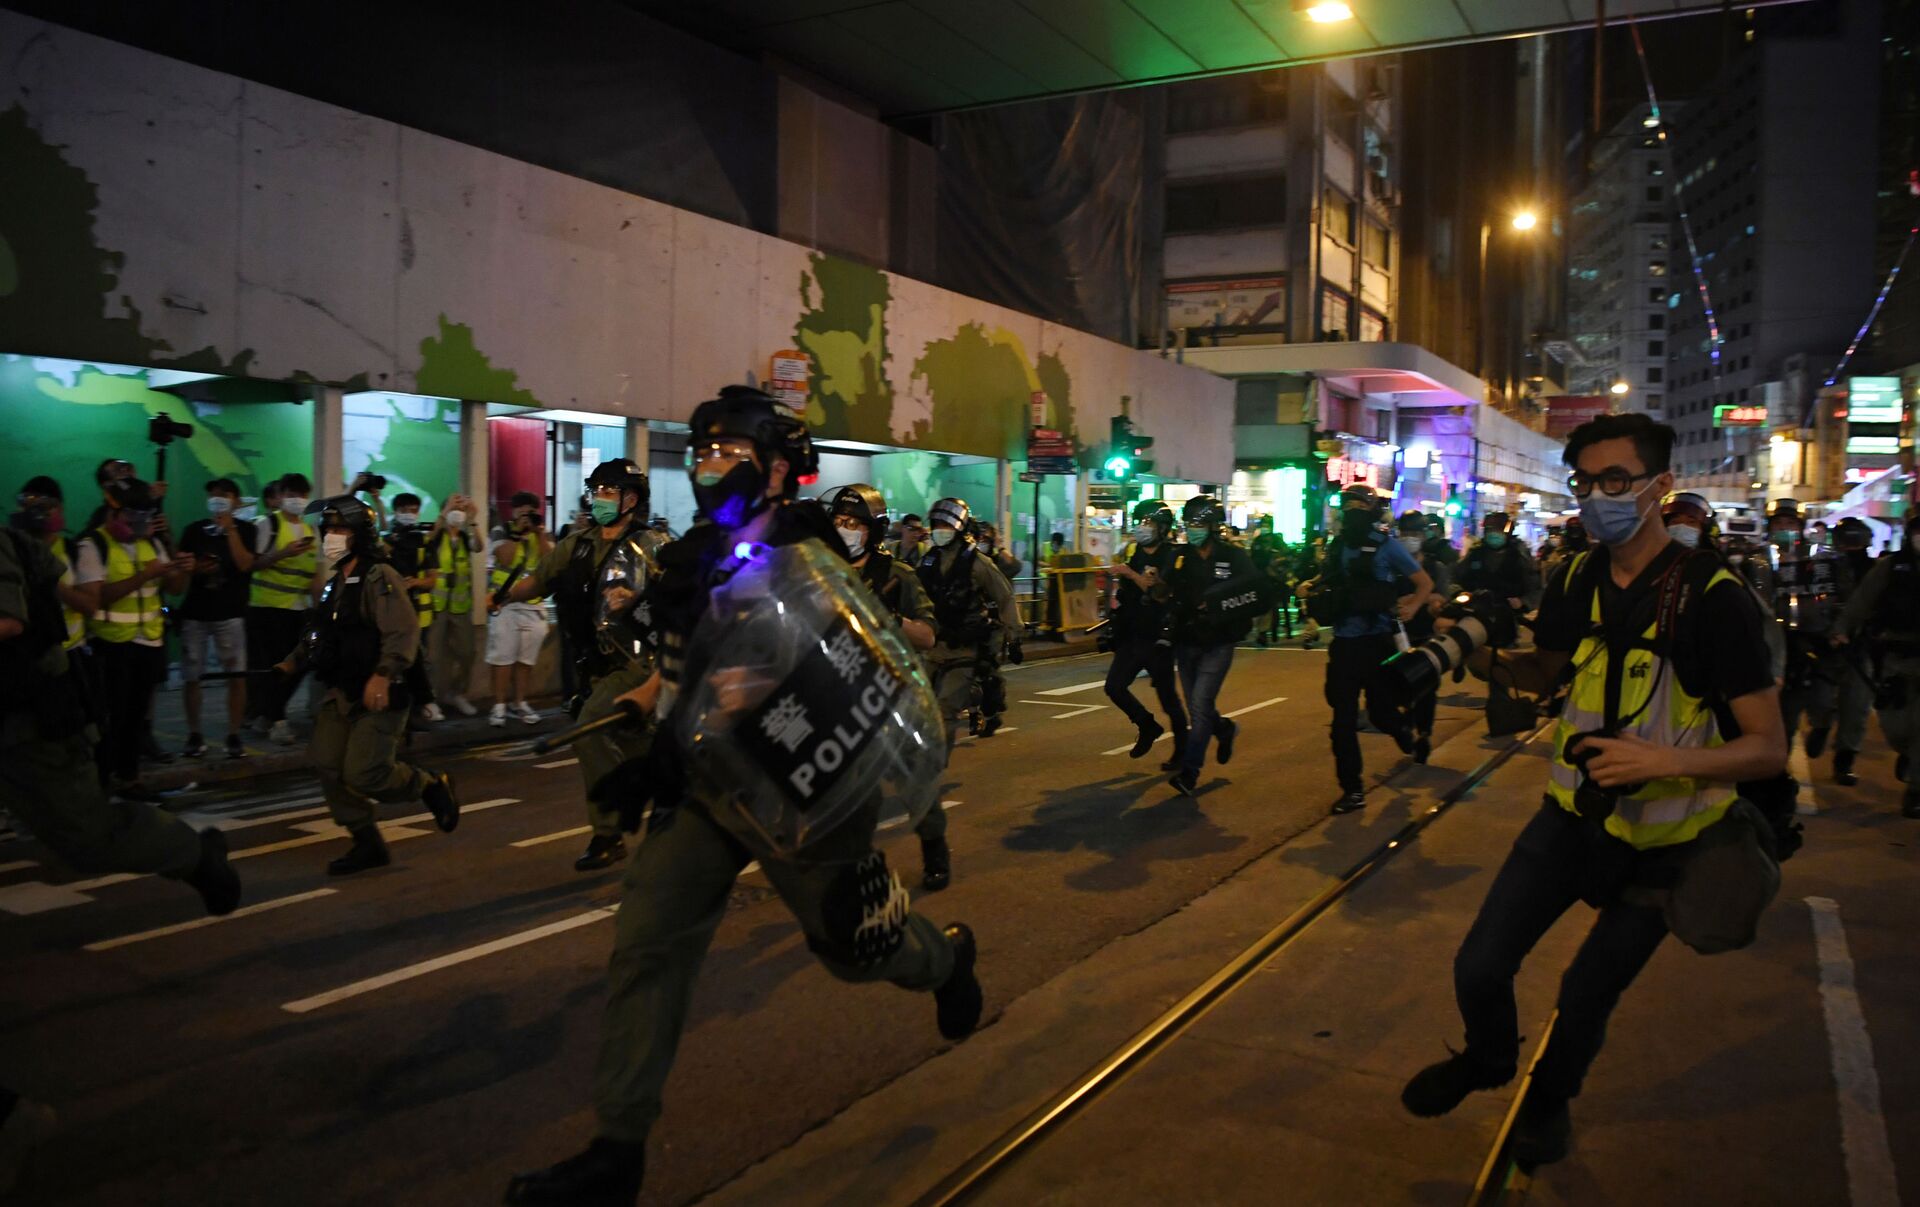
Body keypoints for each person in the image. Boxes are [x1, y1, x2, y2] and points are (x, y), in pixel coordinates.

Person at [503, 386, 982, 1206]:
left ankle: (943, 961)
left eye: (731, 453)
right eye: (703, 452)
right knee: (648, 939)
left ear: (775, 469)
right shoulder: (691, 557)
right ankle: (617, 1150)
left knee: (854, 945)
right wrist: (648, 703)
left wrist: (734, 696)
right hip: (707, 785)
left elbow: (835, 666)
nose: (710, 466)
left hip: (799, 784)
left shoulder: (809, 553)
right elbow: (683, 666)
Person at [1401, 413, 1785, 1166]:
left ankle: (1547, 1105)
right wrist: (1472, 654)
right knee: (1480, 964)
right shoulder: (1575, 576)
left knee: (1584, 995)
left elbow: (1767, 747)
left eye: (1616, 480)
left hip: (1668, 841)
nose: (1597, 497)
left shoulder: (1714, 596)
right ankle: (1488, 1058)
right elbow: (1547, 673)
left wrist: (1659, 763)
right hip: (1571, 818)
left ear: (1659, 485)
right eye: (1585, 483)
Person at [0, 485, 240, 905]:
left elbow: (10, 622)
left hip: (29, 721)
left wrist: (172, 562)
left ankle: (194, 855)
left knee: (87, 838)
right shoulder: (93, 544)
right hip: (104, 654)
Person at [274, 496, 458, 875]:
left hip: (381, 692)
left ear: (360, 534)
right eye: (328, 529)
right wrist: (292, 661)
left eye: (341, 529)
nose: (332, 535)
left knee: (364, 772)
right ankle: (365, 840)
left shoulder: (379, 576)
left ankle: (428, 785)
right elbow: (320, 631)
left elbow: (404, 631)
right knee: (327, 763)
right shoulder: (335, 583)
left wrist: (384, 673)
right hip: (343, 690)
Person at [495, 459, 659, 872]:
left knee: (589, 729)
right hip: (596, 662)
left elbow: (678, 600)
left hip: (638, 663)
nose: (599, 499)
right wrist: (503, 597)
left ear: (630, 500)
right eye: (596, 491)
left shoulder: (652, 546)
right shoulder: (577, 545)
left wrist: (638, 600)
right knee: (643, 744)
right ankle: (688, 793)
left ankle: (608, 832)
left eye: (608, 492)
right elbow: (540, 580)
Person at [822, 483, 956, 887]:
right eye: (839, 521)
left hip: (890, 697)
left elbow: (928, 636)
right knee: (844, 793)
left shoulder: (898, 575)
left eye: (854, 524)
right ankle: (852, 871)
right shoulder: (822, 572)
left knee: (915, 783)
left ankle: (934, 847)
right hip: (838, 699)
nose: (844, 529)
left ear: (874, 530)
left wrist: (890, 618)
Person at [1305, 484, 1432, 813]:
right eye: (1346, 507)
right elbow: (1328, 580)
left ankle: (1401, 729)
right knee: (1342, 721)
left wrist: (1413, 606)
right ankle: (1353, 789)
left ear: (1371, 511)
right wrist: (1311, 590)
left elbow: (1424, 582)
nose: (1351, 513)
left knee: (1380, 712)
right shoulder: (1337, 547)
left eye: (1358, 507)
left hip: (1377, 644)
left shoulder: (1387, 546)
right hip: (1344, 645)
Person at [913, 497, 1017, 886]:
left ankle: (932, 771)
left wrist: (1014, 634)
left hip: (963, 651)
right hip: (931, 649)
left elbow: (1004, 595)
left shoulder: (977, 563)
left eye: (945, 525)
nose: (939, 531)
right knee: (914, 708)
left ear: (957, 528)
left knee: (943, 712)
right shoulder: (925, 561)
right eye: (935, 525)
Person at [76, 477, 192, 799]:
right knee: (109, 718)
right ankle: (100, 785)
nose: (137, 525)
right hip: (110, 644)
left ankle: (129, 779)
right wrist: (146, 575)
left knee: (135, 717)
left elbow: (175, 588)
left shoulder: (151, 543)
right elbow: (96, 597)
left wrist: (183, 568)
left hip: (149, 640)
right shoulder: (92, 545)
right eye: (131, 518)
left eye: (144, 517)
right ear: (112, 511)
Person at [1159, 494, 1265, 796]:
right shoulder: (1179, 557)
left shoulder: (1234, 557)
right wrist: (1156, 586)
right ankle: (1224, 729)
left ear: (1214, 525)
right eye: (1189, 523)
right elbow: (1163, 592)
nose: (1192, 529)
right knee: (1199, 709)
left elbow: (1254, 591)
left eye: (1198, 523)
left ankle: (1190, 772)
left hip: (1219, 642)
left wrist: (1220, 605)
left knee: (1200, 706)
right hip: (1187, 641)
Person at [1838, 512, 1920, 817]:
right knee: (1895, 726)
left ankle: (1916, 789)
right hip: (1896, 660)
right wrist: (1842, 629)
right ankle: (1908, 753)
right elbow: (1862, 600)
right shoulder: (1891, 568)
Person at [176, 478, 257, 760]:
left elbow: (245, 564)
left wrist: (230, 529)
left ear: (236, 501)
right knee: (192, 676)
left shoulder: (246, 530)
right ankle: (194, 733)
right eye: (213, 495)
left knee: (236, 675)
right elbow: (182, 569)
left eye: (225, 495)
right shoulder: (194, 530)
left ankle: (233, 734)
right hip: (196, 612)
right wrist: (197, 568)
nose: (218, 499)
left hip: (231, 612)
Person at [1767, 499, 1853, 763]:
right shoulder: (1760, 560)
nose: (1784, 528)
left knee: (1823, 699)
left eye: (1790, 523)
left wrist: (1839, 629)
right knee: (1785, 711)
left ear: (1800, 526)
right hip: (1782, 645)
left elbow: (1845, 596)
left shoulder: (1822, 558)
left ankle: (1822, 726)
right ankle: (1779, 769)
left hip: (1820, 641)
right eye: (1778, 523)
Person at [1105, 500, 1188, 768]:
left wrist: (1131, 574)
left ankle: (1183, 752)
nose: (1142, 527)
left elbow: (1160, 595)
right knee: (1114, 686)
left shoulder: (1172, 556)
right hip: (1133, 634)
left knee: (1168, 699)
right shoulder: (1136, 552)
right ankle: (1147, 724)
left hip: (1158, 637)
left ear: (1162, 528)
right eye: (1139, 521)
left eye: (1148, 522)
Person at [247, 472, 318, 745]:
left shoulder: (311, 531)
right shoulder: (267, 524)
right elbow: (252, 564)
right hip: (267, 607)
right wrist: (283, 553)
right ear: (280, 496)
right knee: (276, 666)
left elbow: (315, 575)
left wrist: (320, 609)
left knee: (301, 663)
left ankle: (267, 714)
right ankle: (277, 721)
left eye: (302, 495)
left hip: (298, 610)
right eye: (291, 495)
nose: (297, 500)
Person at [486, 491, 554, 726]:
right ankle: (499, 706)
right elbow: (505, 558)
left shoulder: (541, 532)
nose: (526, 515)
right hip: (504, 605)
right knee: (502, 658)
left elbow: (550, 561)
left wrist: (539, 534)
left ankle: (520, 702)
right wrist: (517, 534)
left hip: (533, 606)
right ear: (513, 511)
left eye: (531, 511)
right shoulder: (500, 530)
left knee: (526, 660)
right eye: (521, 511)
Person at [1826, 516, 1879, 785]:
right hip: (1824, 642)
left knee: (1856, 707)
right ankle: (1821, 728)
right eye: (1846, 540)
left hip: (1860, 646)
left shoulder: (1879, 570)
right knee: (1820, 701)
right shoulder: (1825, 567)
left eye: (1856, 539)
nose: (1851, 546)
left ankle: (1844, 761)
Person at [422, 492, 484, 719]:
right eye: (454, 509)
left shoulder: (466, 536)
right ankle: (429, 699)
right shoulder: (437, 535)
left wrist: (473, 518)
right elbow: (426, 540)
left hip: (460, 606)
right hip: (436, 606)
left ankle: (456, 693)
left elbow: (479, 547)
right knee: (432, 656)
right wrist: (445, 511)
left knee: (468, 652)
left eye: (461, 509)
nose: (457, 513)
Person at [1396, 511, 1452, 760]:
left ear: (1423, 536)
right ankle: (1406, 724)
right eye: (1405, 533)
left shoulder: (1434, 567)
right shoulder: (1392, 564)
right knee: (1400, 687)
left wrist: (1414, 598)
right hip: (1398, 636)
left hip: (1427, 635)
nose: (1409, 538)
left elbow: (1442, 597)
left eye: (1414, 533)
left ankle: (1424, 733)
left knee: (1427, 688)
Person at [1456, 512, 1543, 627]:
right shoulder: (1475, 553)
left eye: (1498, 530)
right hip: (1475, 612)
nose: (1494, 533)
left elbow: (1536, 589)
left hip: (1509, 616)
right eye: (1490, 530)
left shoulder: (1520, 556)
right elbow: (1457, 577)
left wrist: (1523, 602)